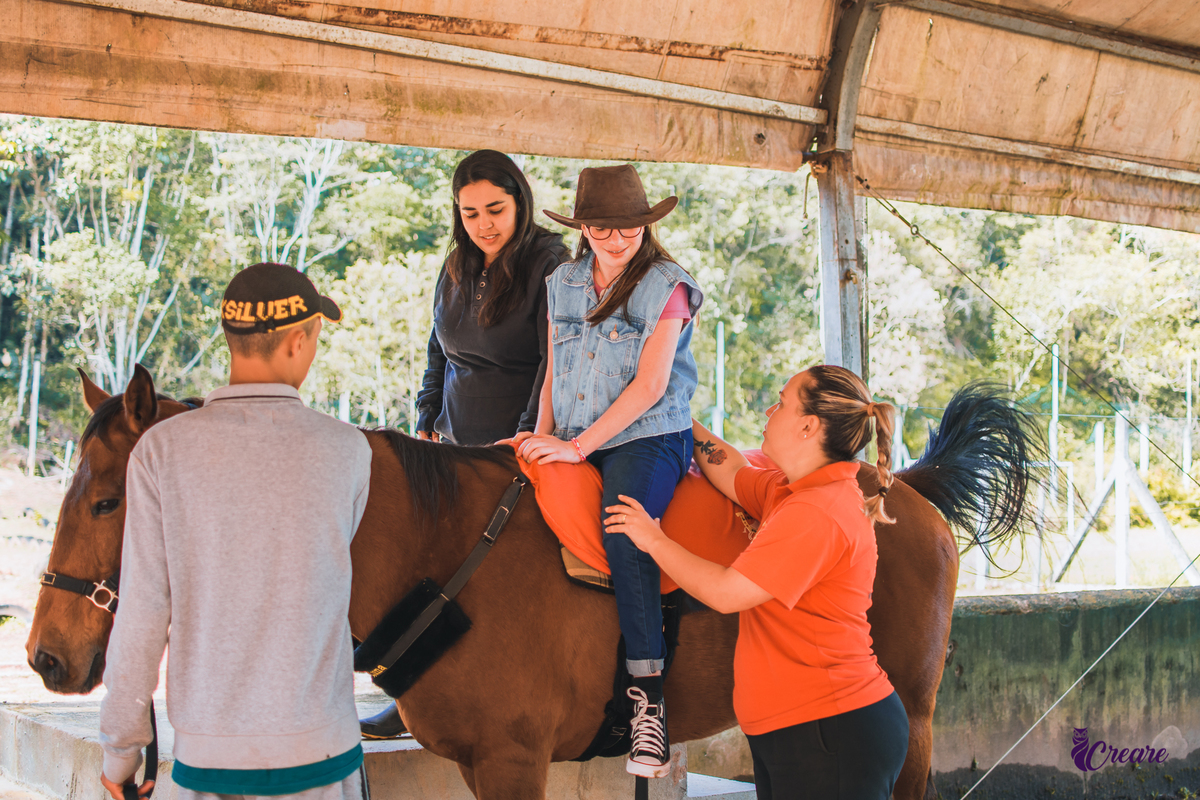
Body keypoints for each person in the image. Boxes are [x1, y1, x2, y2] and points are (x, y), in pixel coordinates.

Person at [99, 263, 372, 800]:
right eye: (316, 338)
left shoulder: (160, 452)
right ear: (298, 340)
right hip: (321, 756)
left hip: (207, 761)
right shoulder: (348, 451)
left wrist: (120, 751)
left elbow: (142, 614)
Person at [606, 365, 910, 800]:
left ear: (808, 426)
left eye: (782, 402)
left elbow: (728, 593)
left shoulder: (816, 513)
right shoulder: (791, 491)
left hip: (829, 730)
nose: (770, 410)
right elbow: (730, 469)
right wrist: (674, 412)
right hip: (800, 729)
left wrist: (652, 538)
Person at [515, 164, 703, 778]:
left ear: (646, 227)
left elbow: (650, 387)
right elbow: (552, 367)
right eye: (600, 227)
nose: (614, 240)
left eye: (626, 229)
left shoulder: (668, 287)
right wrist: (539, 438)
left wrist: (578, 449)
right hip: (571, 434)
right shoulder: (562, 281)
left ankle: (648, 701)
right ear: (583, 227)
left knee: (626, 534)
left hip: (649, 437)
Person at [415, 149, 569, 446]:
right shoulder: (456, 262)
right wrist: (428, 408)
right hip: (452, 443)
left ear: (520, 203)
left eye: (495, 210)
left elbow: (555, 362)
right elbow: (438, 345)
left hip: (516, 445)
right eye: (470, 214)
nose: (483, 225)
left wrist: (529, 432)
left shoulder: (551, 265)